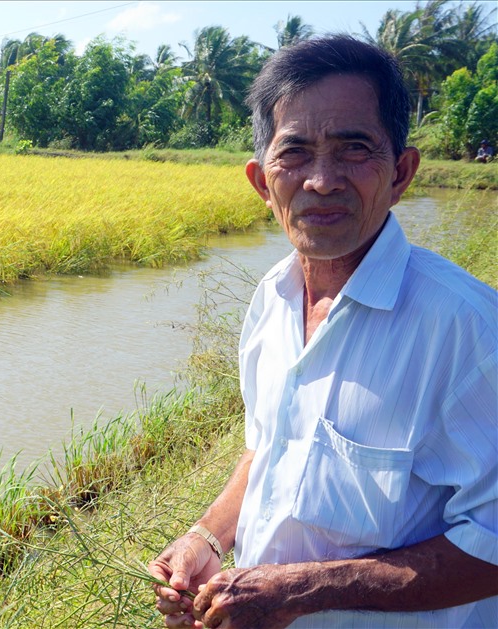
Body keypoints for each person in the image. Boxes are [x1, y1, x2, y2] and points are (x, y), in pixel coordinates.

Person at [149, 35, 497, 629]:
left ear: (402, 173)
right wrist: (206, 538)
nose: (322, 179)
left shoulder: (469, 328)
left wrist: (302, 590)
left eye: (354, 148)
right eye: (296, 152)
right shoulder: (270, 300)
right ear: (262, 182)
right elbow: (268, 445)